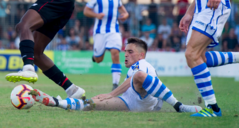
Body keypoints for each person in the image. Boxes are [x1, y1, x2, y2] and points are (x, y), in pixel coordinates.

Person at [30, 37, 202, 113]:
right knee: (91, 104)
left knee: (139, 76)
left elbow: (138, 80)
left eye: (130, 52)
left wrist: (111, 93)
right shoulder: (134, 66)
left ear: (141, 55)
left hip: (142, 103)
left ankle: (179, 106)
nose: (125, 54)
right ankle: (55, 102)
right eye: (125, 51)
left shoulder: (143, 65)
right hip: (128, 102)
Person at [84, 0, 129, 91]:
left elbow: (123, 10)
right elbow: (86, 11)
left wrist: (125, 15)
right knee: (99, 59)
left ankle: (115, 84)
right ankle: (95, 56)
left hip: (114, 30)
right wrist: (96, 15)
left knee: (115, 53)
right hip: (100, 31)